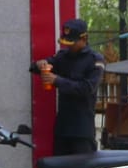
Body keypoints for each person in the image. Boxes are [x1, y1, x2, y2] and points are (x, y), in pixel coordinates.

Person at [31, 19, 104, 156]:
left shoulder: (95, 60)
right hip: (63, 128)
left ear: (84, 39)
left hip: (82, 130)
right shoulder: (63, 56)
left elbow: (87, 88)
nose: (69, 47)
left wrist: (57, 81)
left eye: (72, 43)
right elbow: (38, 66)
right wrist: (40, 64)